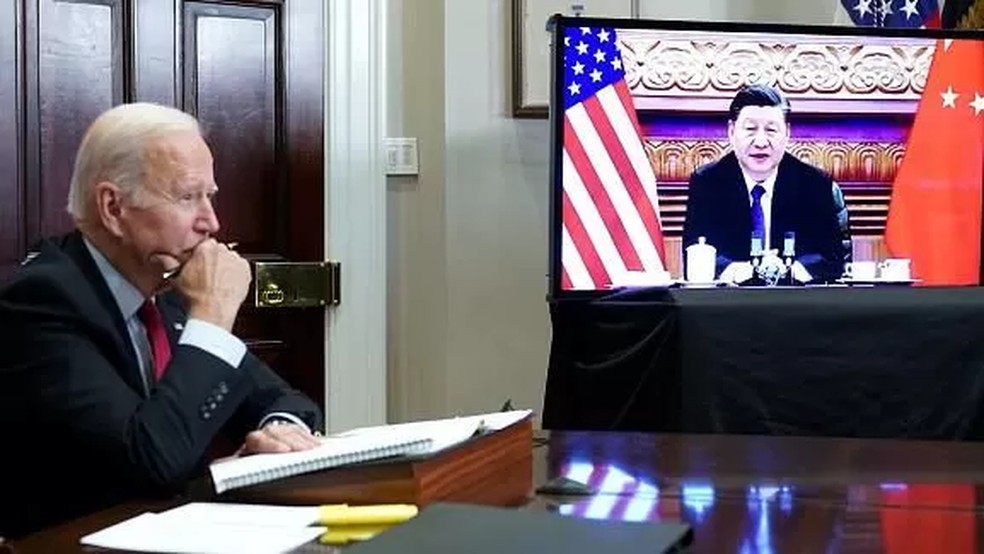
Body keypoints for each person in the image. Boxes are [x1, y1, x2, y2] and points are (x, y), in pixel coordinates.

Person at [0, 103, 324, 538]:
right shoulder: (42, 302)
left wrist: (279, 431)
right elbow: (151, 461)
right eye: (188, 197)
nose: (212, 221)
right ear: (113, 207)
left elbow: (287, 401)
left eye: (209, 196)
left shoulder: (165, 291)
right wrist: (212, 315)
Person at [681, 84, 848, 283]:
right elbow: (697, 252)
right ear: (731, 131)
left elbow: (832, 257)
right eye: (750, 129)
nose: (761, 142)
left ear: (787, 133)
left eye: (771, 130)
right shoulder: (708, 183)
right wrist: (739, 271)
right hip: (730, 303)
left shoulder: (814, 184)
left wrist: (790, 270)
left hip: (798, 302)